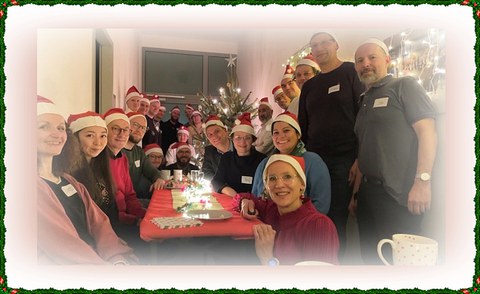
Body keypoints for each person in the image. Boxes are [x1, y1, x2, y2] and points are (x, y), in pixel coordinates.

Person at [352, 38, 437, 264]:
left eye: (372, 57)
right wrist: (356, 195)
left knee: (399, 265)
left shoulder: (404, 86)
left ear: (387, 60)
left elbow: (427, 132)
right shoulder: (363, 100)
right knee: (371, 260)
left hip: (399, 194)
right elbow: (365, 146)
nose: (365, 64)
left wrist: (423, 181)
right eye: (359, 61)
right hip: (369, 195)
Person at [36, 96, 136, 265]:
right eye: (44, 126)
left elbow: (101, 225)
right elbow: (63, 246)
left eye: (61, 128)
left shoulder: (69, 181)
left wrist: (118, 259)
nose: (56, 134)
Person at [298, 32, 365, 258]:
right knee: (312, 214)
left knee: (336, 218)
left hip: (344, 161)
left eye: (325, 42)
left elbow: (363, 117)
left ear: (336, 44)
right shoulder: (309, 87)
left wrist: (358, 159)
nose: (320, 48)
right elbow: (304, 127)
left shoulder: (350, 72)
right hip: (314, 162)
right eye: (314, 44)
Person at [234, 154, 339, 265]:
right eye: (272, 178)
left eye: (287, 177)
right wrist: (245, 201)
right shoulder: (271, 209)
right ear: (266, 187)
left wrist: (268, 259)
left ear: (302, 184)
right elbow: (241, 197)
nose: (279, 185)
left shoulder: (319, 226)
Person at [252, 112, 331, 214]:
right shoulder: (264, 164)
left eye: (286, 130)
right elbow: (255, 197)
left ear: (298, 134)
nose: (281, 136)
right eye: (276, 132)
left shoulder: (313, 162)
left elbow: (321, 204)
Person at [102, 108, 147, 259]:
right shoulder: (98, 161)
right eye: (116, 129)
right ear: (106, 131)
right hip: (113, 225)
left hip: (126, 218)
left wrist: (143, 215)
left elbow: (129, 196)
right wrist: (135, 221)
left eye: (125, 130)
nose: (122, 134)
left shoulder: (122, 158)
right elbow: (107, 209)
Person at [211, 113, 266, 196]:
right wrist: (234, 195)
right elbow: (216, 181)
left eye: (247, 138)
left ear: (252, 140)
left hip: (254, 204)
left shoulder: (262, 160)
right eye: (238, 138)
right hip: (231, 201)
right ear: (232, 139)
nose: (242, 142)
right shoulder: (227, 158)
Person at [122, 112, 165, 200]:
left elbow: (151, 171)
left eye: (143, 128)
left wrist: (159, 179)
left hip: (134, 200)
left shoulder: (139, 152)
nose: (139, 130)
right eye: (135, 125)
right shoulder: (116, 150)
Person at [201, 114, 232, 181]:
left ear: (225, 131)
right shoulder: (209, 151)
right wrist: (221, 186)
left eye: (217, 131)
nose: (214, 136)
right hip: (220, 189)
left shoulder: (239, 147)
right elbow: (207, 173)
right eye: (210, 134)